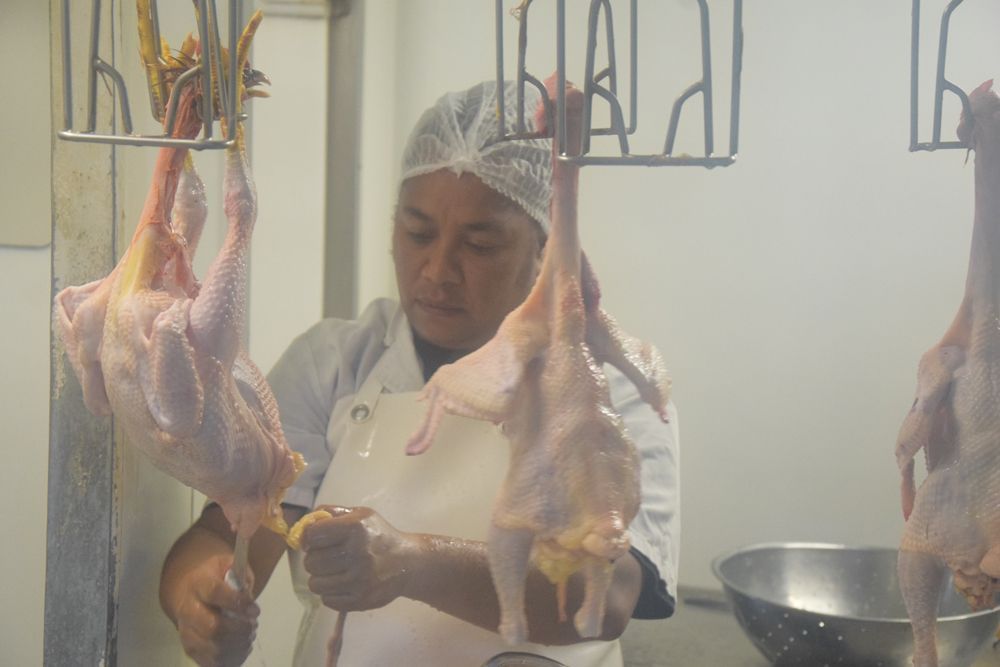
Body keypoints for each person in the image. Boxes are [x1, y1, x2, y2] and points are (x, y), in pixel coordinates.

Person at [158, 80, 680, 667]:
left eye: (480, 244)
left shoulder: (609, 389)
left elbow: (608, 596)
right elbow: (225, 534)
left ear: (543, 247)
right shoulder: (333, 362)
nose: (437, 271)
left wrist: (412, 561)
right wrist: (197, 598)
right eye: (417, 233)